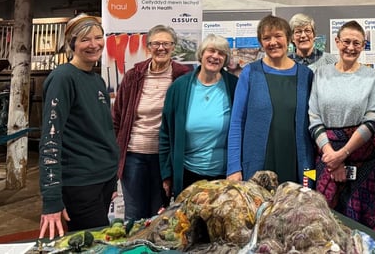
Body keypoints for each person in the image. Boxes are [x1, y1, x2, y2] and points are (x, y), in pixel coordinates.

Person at [39, 14, 119, 240]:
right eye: (85, 39)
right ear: (72, 44)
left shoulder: (97, 80)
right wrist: (51, 198)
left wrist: (111, 177)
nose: (94, 44)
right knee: (94, 244)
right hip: (80, 184)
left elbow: (103, 131)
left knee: (98, 242)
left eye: (98, 37)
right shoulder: (63, 78)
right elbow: (50, 140)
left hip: (102, 180)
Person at [309, 20, 375, 231]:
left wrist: (342, 154)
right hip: (327, 155)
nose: (351, 47)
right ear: (336, 42)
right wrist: (332, 157)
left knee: (362, 219)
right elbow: (314, 117)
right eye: (346, 42)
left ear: (363, 45)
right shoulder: (321, 74)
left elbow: (373, 118)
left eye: (357, 43)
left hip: (362, 157)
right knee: (326, 219)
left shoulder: (372, 76)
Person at [112, 25, 191, 220]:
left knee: (159, 215)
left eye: (166, 43)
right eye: (156, 43)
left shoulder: (183, 76)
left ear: (173, 47)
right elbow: (117, 117)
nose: (161, 48)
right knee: (134, 213)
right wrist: (114, 154)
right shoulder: (134, 75)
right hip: (133, 155)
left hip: (164, 158)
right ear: (148, 46)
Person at [227, 15, 314, 184]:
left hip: (300, 163)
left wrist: (311, 175)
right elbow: (237, 122)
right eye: (266, 38)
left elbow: (314, 123)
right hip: (258, 164)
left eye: (278, 36)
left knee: (302, 203)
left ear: (289, 39)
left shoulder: (306, 75)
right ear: (260, 43)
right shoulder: (250, 73)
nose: (273, 42)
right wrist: (233, 168)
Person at [159, 34, 238, 199]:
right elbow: (166, 133)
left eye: (221, 53)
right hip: (189, 175)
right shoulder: (179, 87)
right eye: (211, 51)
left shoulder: (234, 85)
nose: (215, 56)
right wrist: (167, 174)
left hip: (226, 177)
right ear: (201, 54)